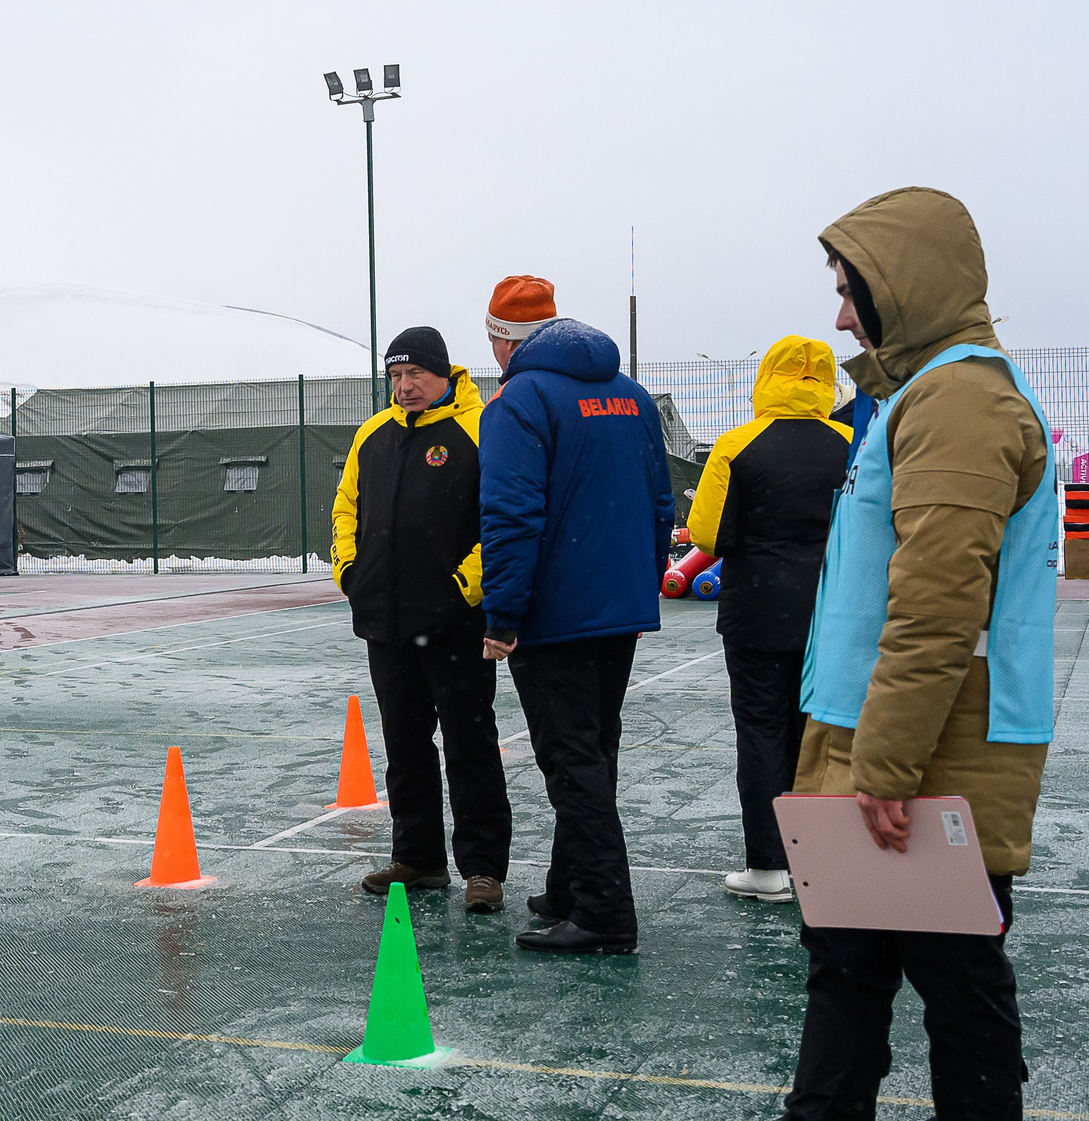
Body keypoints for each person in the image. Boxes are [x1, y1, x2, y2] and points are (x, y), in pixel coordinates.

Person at [662, 186, 1056, 1121]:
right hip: (886, 736)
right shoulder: (932, 398)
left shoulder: (958, 407)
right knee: (862, 961)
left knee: (942, 971)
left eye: (850, 294)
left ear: (903, 288)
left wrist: (880, 762)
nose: (840, 321)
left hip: (918, 747)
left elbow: (935, 604)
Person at [476, 276, 672, 954]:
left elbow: (509, 516)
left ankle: (605, 912)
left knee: (571, 761)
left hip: (555, 613)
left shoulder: (517, 402)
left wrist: (501, 614)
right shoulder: (632, 396)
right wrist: (639, 585)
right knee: (597, 747)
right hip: (618, 608)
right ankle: (570, 885)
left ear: (504, 341)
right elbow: (660, 503)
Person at [330, 323, 510, 912]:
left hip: (456, 623)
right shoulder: (373, 435)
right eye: (396, 376)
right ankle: (419, 857)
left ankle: (483, 869)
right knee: (404, 745)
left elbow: (503, 516)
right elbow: (345, 508)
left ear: (443, 373)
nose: (405, 386)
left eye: (415, 375)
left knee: (469, 744)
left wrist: (468, 586)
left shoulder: (480, 428)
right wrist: (350, 573)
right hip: (385, 621)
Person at [686, 335, 852, 903]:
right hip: (833, 608)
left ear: (767, 378)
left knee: (760, 732)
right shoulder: (853, 444)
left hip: (756, 608)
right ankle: (823, 861)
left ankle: (768, 866)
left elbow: (706, 535)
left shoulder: (737, 445)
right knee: (820, 734)